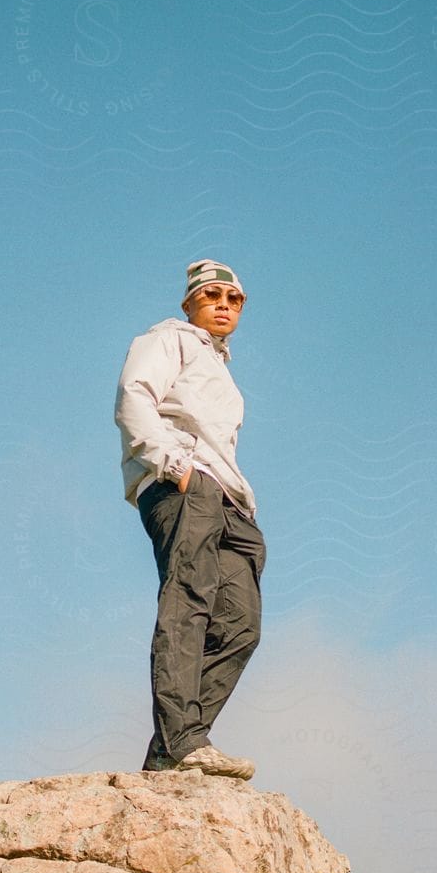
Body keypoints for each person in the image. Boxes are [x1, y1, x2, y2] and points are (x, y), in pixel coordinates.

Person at [115, 260, 266, 779]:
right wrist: (175, 467)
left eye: (234, 299)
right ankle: (182, 743)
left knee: (241, 624)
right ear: (190, 304)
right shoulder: (169, 338)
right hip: (185, 482)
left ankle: (169, 750)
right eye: (212, 296)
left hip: (228, 497)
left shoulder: (220, 366)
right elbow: (134, 396)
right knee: (190, 603)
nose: (224, 305)